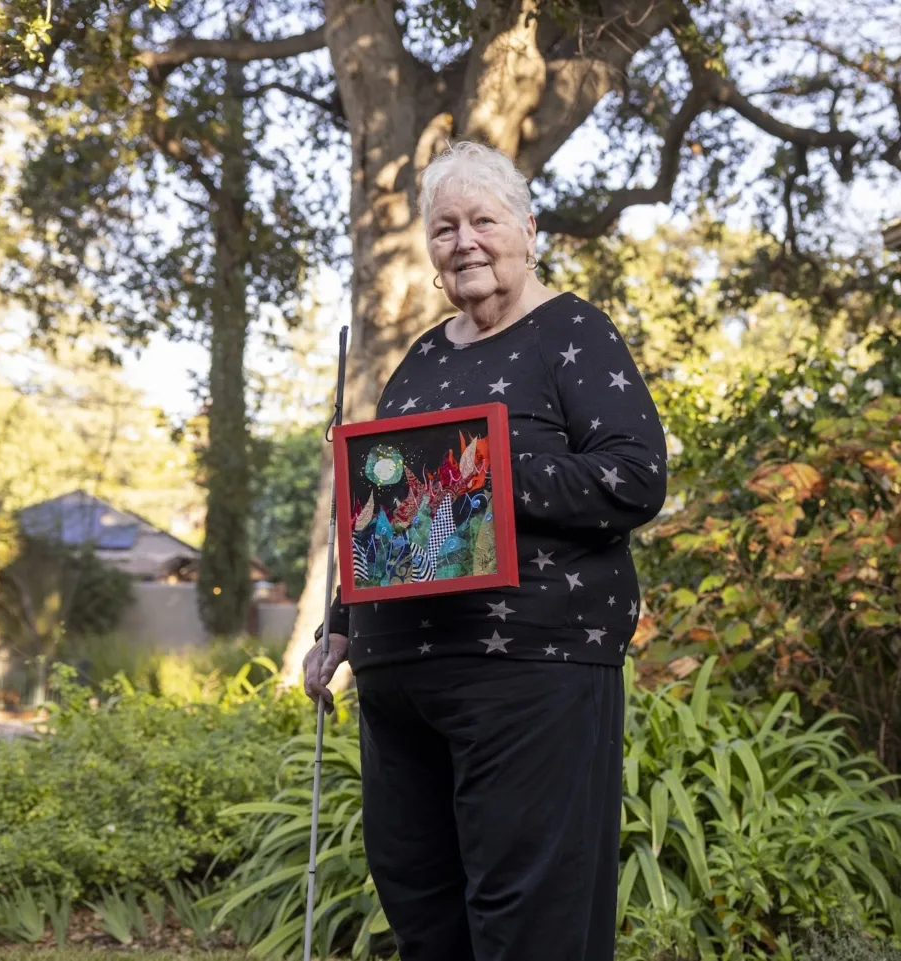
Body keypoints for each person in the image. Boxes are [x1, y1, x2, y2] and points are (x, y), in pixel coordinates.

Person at [301, 140, 667, 961]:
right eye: (444, 227)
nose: (463, 241)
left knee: (527, 917)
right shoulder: (425, 355)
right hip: (402, 680)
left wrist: (489, 476)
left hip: (529, 672)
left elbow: (636, 477)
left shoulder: (572, 331)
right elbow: (386, 512)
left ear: (528, 229)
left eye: (483, 220)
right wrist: (341, 624)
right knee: (423, 905)